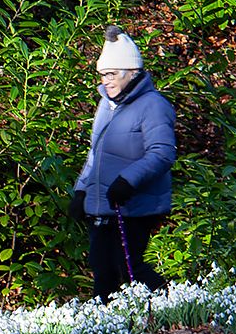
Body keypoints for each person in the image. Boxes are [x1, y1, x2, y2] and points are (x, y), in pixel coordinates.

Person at [70, 24, 176, 299]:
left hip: (134, 206)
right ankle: (106, 322)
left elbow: (162, 153)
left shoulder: (153, 105)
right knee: (101, 268)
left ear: (132, 72)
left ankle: (172, 306)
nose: (106, 80)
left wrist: (128, 180)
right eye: (103, 74)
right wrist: (81, 191)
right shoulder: (106, 104)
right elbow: (95, 154)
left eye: (112, 74)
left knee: (129, 269)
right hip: (103, 205)